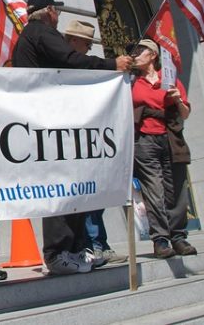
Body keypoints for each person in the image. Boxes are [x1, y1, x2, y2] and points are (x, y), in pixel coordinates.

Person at [10, 0, 132, 275]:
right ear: (50, 10)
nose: (59, 17)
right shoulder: (41, 31)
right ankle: (57, 253)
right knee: (61, 185)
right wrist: (112, 65)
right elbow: (71, 60)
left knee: (74, 183)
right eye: (57, 11)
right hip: (50, 121)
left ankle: (77, 249)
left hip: (58, 119)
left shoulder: (35, 34)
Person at [62, 20, 128, 267]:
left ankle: (100, 241)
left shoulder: (86, 66)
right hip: (74, 138)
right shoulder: (68, 64)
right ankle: (93, 244)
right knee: (86, 195)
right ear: (73, 41)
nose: (89, 49)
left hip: (93, 137)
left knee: (96, 194)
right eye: (87, 44)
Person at [130, 39, 197, 258]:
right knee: (154, 190)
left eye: (140, 51)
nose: (135, 54)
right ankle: (160, 239)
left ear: (153, 55)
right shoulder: (131, 82)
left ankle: (178, 237)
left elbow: (185, 114)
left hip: (170, 139)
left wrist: (178, 101)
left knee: (175, 188)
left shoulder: (170, 80)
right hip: (145, 140)